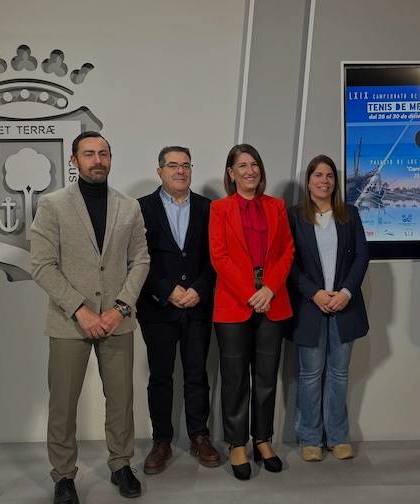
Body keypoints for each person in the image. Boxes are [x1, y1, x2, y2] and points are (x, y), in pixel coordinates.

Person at [30, 131, 150, 504]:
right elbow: (42, 265)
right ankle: (63, 476)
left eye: (102, 153)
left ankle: (121, 465)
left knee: (121, 400)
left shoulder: (128, 207)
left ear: (111, 158)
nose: (96, 160)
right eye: (88, 154)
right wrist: (80, 309)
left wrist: (120, 308)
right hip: (70, 323)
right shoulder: (53, 205)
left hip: (118, 320)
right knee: (63, 404)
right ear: (74, 160)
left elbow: (141, 261)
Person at [208, 144, 294, 480]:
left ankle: (263, 439)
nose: (249, 171)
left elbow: (287, 250)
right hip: (234, 304)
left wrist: (269, 288)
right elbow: (219, 257)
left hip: (272, 301)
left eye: (254, 164)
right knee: (234, 379)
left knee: (266, 376)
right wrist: (250, 293)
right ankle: (236, 443)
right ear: (230, 173)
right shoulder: (219, 209)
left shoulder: (277, 206)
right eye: (242, 165)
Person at [136, 146, 219, 475]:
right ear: (160, 171)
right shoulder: (140, 208)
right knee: (160, 377)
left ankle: (200, 436)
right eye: (173, 165)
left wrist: (198, 289)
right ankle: (162, 441)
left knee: (198, 375)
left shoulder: (208, 208)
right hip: (158, 308)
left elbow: (217, 258)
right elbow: (137, 258)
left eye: (185, 165)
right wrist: (166, 290)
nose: (180, 171)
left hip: (198, 307)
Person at [287, 154, 369, 462]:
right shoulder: (294, 216)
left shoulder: (349, 214)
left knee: (339, 373)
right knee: (310, 374)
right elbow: (289, 264)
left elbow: (362, 256)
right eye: (318, 175)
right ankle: (309, 437)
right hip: (310, 308)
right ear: (308, 181)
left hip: (345, 307)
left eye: (329, 176)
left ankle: (337, 437)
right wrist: (315, 293)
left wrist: (346, 292)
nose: (324, 180)